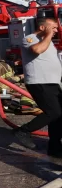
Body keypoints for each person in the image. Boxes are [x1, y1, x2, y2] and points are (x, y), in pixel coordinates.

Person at [12, 17, 62, 156]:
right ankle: (23, 131)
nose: (56, 30)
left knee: (59, 116)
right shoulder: (30, 39)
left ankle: (55, 147)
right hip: (39, 82)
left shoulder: (49, 42)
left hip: (52, 83)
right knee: (53, 112)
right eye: (53, 27)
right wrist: (48, 35)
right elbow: (37, 50)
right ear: (42, 28)